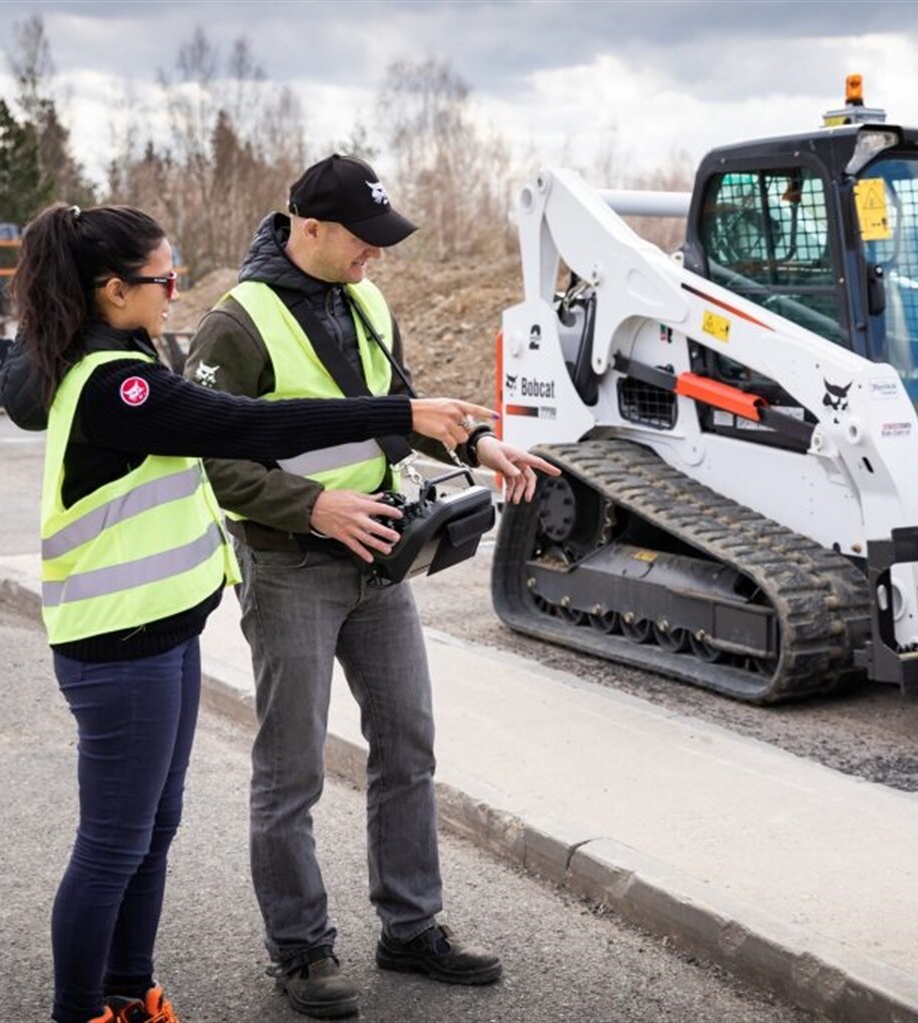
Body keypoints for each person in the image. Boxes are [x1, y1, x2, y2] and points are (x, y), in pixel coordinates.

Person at [2, 201, 495, 1023]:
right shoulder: (115, 382)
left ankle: (130, 992)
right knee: (113, 846)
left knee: (153, 832)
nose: (178, 291)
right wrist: (398, 413)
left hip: (161, 633)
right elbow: (246, 423)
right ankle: (79, 1010)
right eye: (164, 278)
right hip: (117, 643)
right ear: (113, 291)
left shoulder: (123, 349)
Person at [184, 154, 555, 1020]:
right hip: (290, 568)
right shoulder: (235, 324)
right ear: (308, 227)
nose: (376, 257)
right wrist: (314, 508)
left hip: (379, 560)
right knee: (291, 770)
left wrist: (475, 447)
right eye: (364, 239)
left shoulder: (368, 301)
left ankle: (411, 926)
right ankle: (301, 949)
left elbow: (398, 412)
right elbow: (212, 458)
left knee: (408, 746)